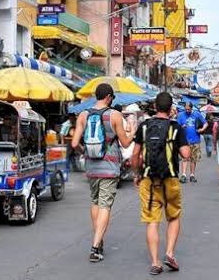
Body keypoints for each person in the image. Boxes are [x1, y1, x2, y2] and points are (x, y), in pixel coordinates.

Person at [71, 83, 136, 263]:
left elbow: (74, 144)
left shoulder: (83, 115)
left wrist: (86, 152)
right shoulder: (114, 115)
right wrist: (133, 130)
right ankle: (95, 246)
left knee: (95, 201)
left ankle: (99, 241)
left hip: (91, 167)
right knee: (105, 205)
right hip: (110, 166)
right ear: (108, 97)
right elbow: (124, 143)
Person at [131, 92, 191, 275]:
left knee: (152, 221)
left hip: (148, 180)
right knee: (173, 217)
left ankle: (155, 262)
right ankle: (170, 252)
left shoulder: (143, 126)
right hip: (170, 179)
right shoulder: (175, 127)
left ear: (155, 106)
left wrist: (136, 173)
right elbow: (186, 155)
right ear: (171, 108)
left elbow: (135, 154)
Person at [175, 103, 207, 183]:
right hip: (184, 140)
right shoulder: (181, 115)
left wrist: (202, 129)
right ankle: (183, 175)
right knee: (184, 158)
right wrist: (181, 127)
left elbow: (205, 123)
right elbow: (176, 127)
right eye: (186, 109)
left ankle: (192, 175)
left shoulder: (197, 114)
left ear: (191, 108)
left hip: (195, 140)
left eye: (188, 109)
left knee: (193, 159)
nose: (187, 111)